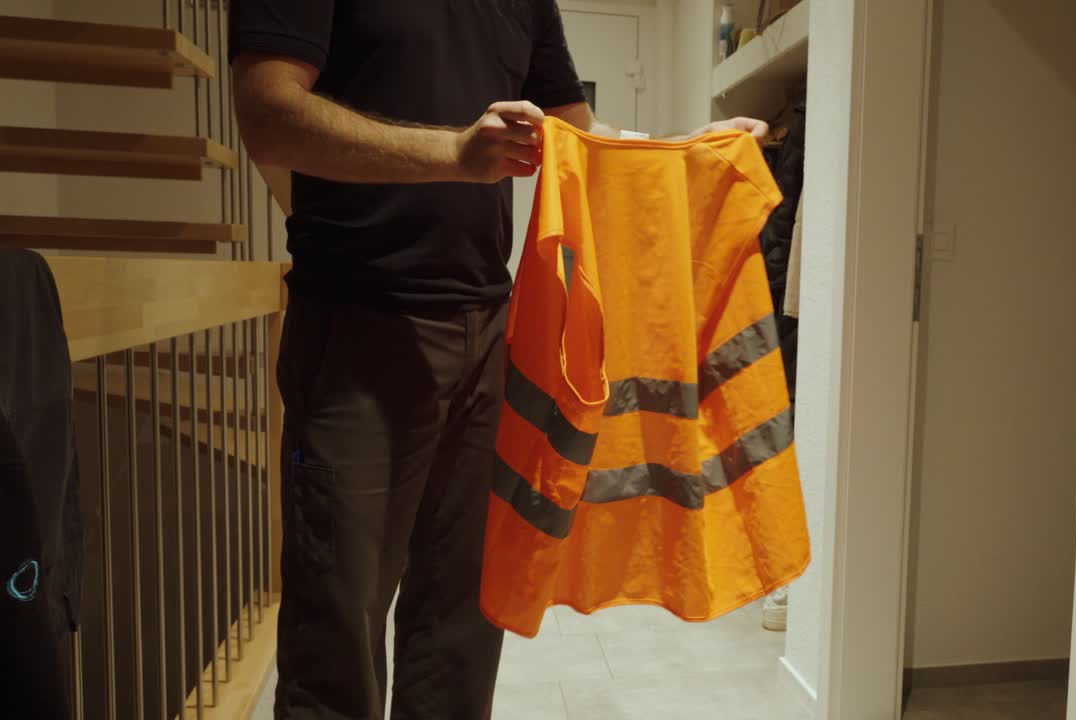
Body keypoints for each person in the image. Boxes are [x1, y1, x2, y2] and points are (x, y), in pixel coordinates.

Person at [229, 2, 767, 718]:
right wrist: (454, 154)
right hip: (357, 330)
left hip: (488, 334)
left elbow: (581, 134)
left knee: (463, 627)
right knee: (337, 636)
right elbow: (267, 112)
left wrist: (686, 151)